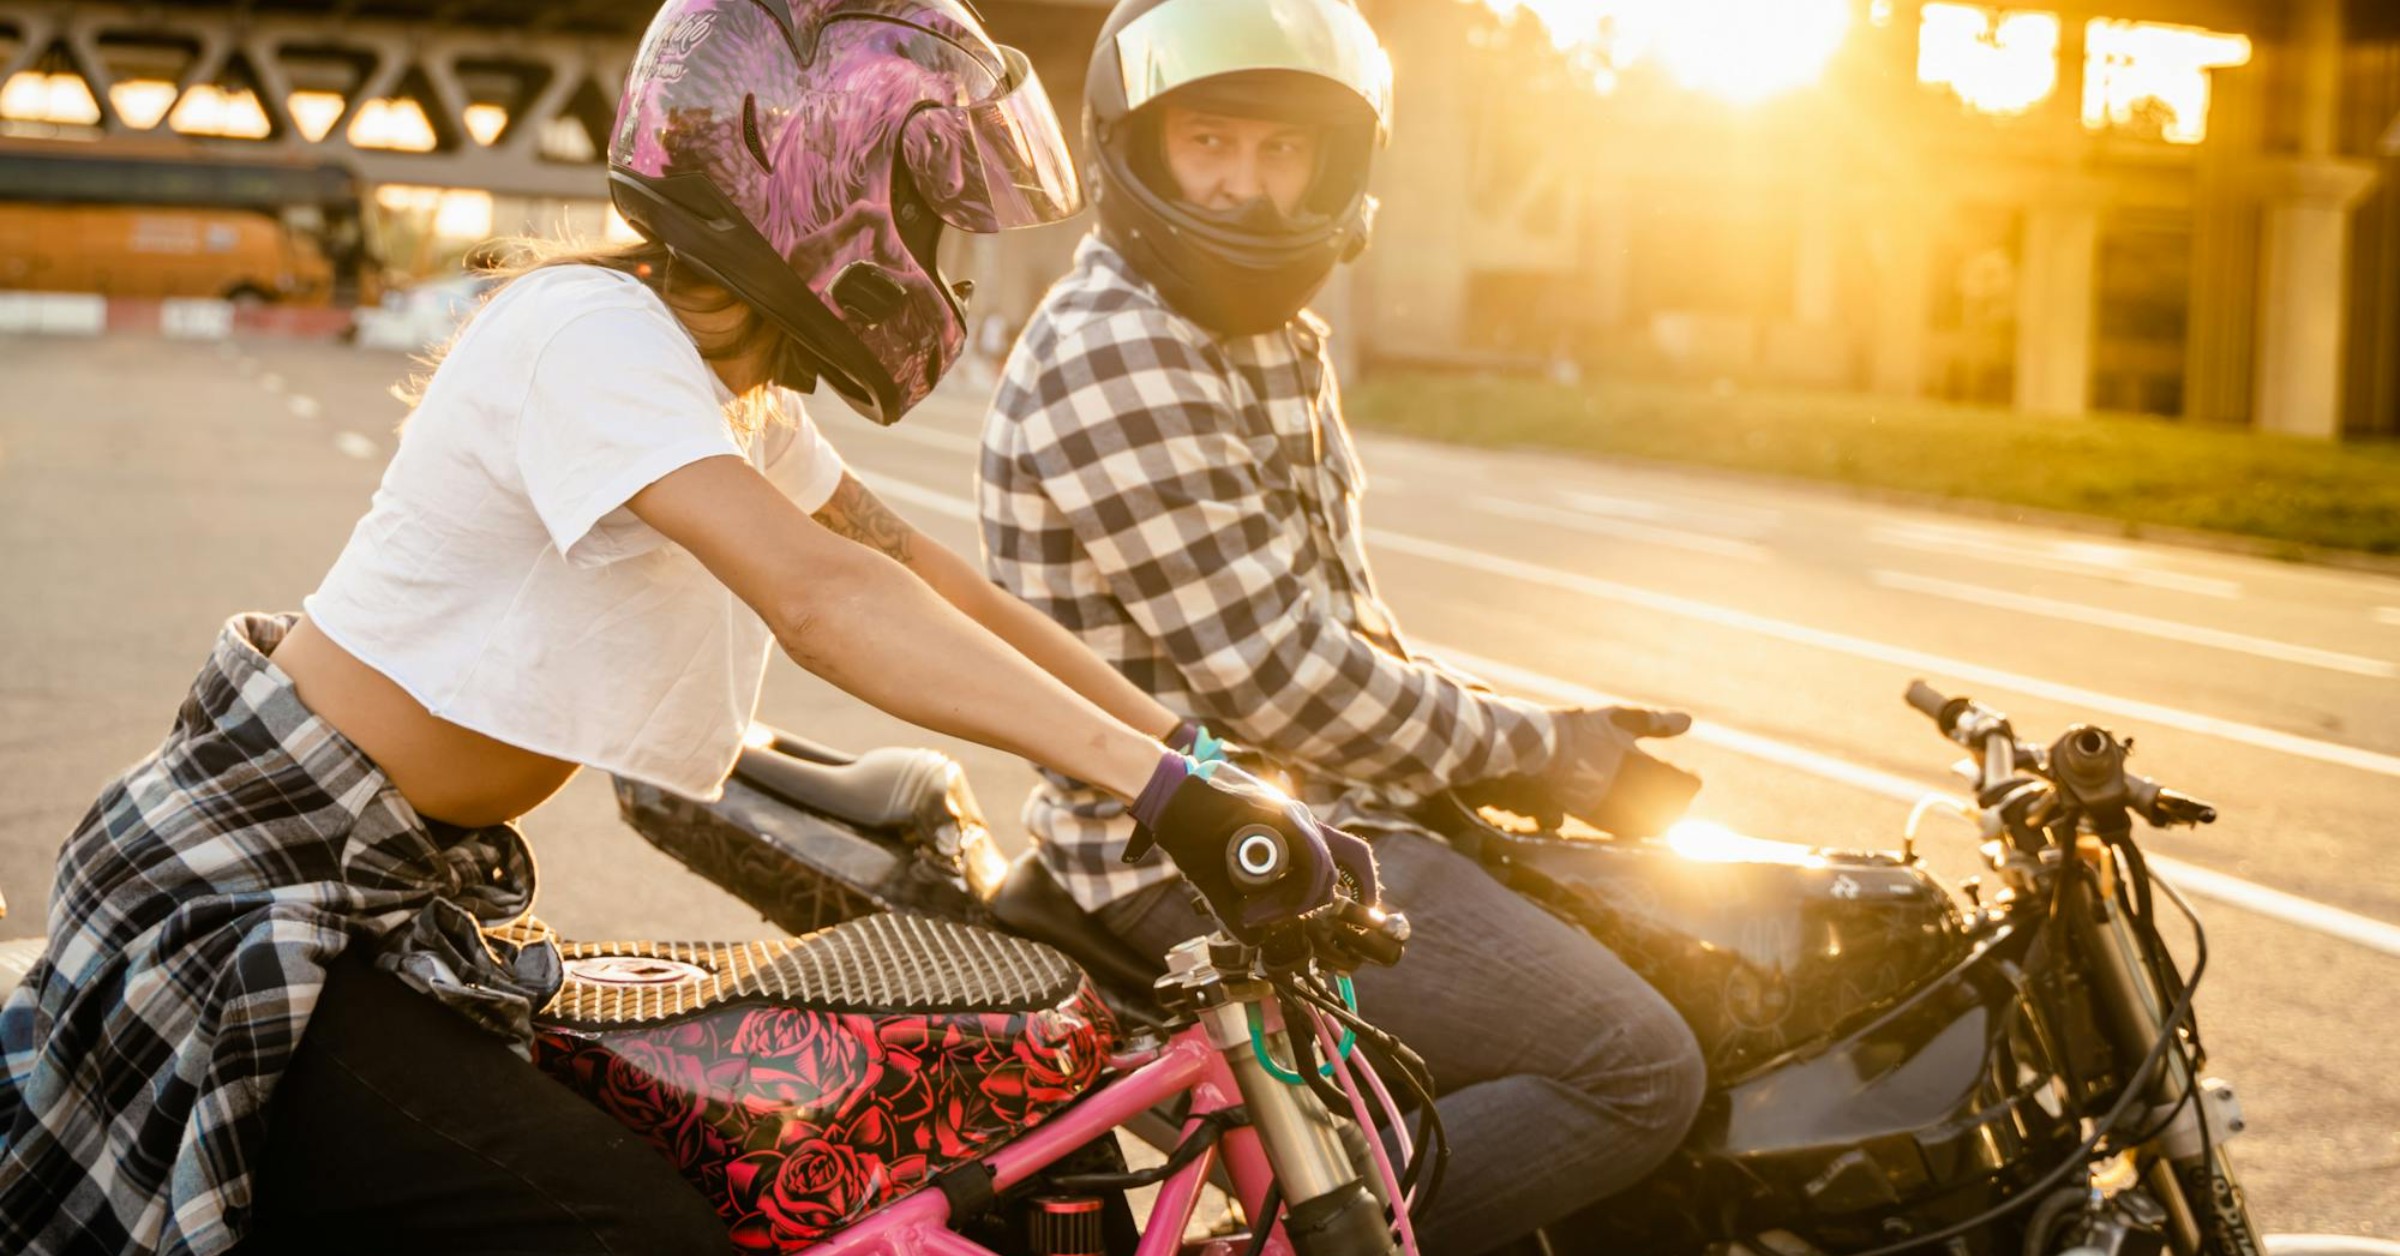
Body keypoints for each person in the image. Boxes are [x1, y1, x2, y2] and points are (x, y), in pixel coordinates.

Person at [0, 3, 1370, 1254]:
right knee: (626, 1231)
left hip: (388, 891)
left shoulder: (728, 401)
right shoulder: (589, 334)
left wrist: (1193, 757)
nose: (943, 258)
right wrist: (1156, 787)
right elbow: (829, 598)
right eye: (924, 209)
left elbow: (931, 577)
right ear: (816, 182)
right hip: (255, 896)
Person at [978, 1, 1709, 1251]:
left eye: (1283, 152)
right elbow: (1285, 679)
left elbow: (1345, 628)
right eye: (1212, 142)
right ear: (1140, 148)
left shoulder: (1262, 337)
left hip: (1312, 809)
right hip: (1204, 855)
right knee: (1635, 1065)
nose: (1250, 191)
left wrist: (1513, 748)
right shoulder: (1121, 349)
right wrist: (1546, 746)